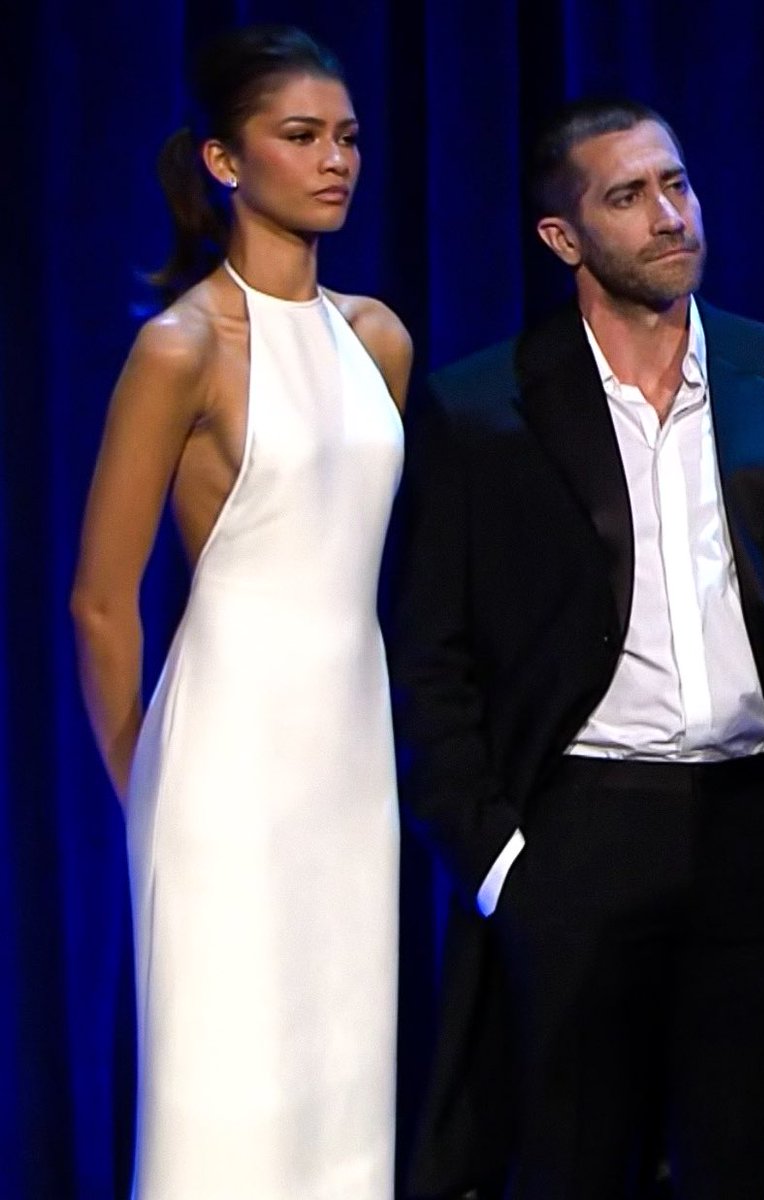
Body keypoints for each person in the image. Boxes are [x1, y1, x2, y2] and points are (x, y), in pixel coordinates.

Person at [390, 98, 764, 1200]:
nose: (670, 216)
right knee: (572, 1168)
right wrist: (499, 861)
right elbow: (431, 658)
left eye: (676, 183)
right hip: (580, 834)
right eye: (627, 196)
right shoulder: (480, 409)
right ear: (563, 237)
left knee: (748, 1169)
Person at [71, 25, 411, 1199]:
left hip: (351, 770)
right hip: (219, 778)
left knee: (343, 1098)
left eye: (348, 138)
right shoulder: (181, 348)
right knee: (220, 1104)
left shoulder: (377, 339)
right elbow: (100, 601)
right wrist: (147, 786)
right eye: (302, 136)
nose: (336, 161)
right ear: (225, 160)